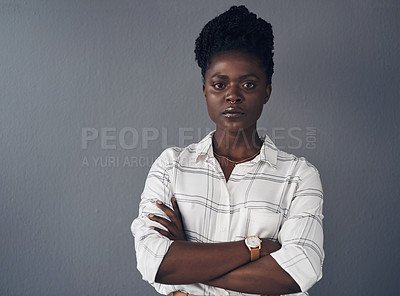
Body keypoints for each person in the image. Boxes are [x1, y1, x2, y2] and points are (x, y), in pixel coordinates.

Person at [131, 5, 324, 296]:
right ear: (205, 90)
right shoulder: (171, 166)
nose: (232, 95)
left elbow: (297, 272)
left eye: (248, 84)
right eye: (220, 84)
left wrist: (188, 257)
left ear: (266, 92)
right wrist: (254, 249)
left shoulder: (298, 176)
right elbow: (152, 262)